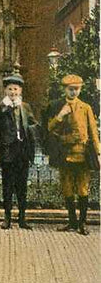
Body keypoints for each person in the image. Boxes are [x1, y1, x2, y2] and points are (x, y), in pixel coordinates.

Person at [47, 74, 100, 235]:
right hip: (65, 154)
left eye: (76, 89)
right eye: (70, 89)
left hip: (82, 154)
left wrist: (98, 152)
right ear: (65, 90)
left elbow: (93, 131)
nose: (73, 92)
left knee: (83, 189)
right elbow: (49, 128)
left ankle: (82, 223)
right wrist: (60, 116)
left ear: (80, 89)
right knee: (68, 188)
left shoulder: (86, 108)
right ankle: (71, 222)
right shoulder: (57, 106)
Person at [0, 74, 37, 230]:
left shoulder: (25, 107)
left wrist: (31, 131)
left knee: (22, 186)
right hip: (7, 152)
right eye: (10, 89)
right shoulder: (0, 108)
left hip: (22, 151)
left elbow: (33, 125)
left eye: (15, 89)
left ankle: (22, 219)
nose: (13, 92)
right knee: (8, 186)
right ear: (5, 90)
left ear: (20, 90)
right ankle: (7, 218)